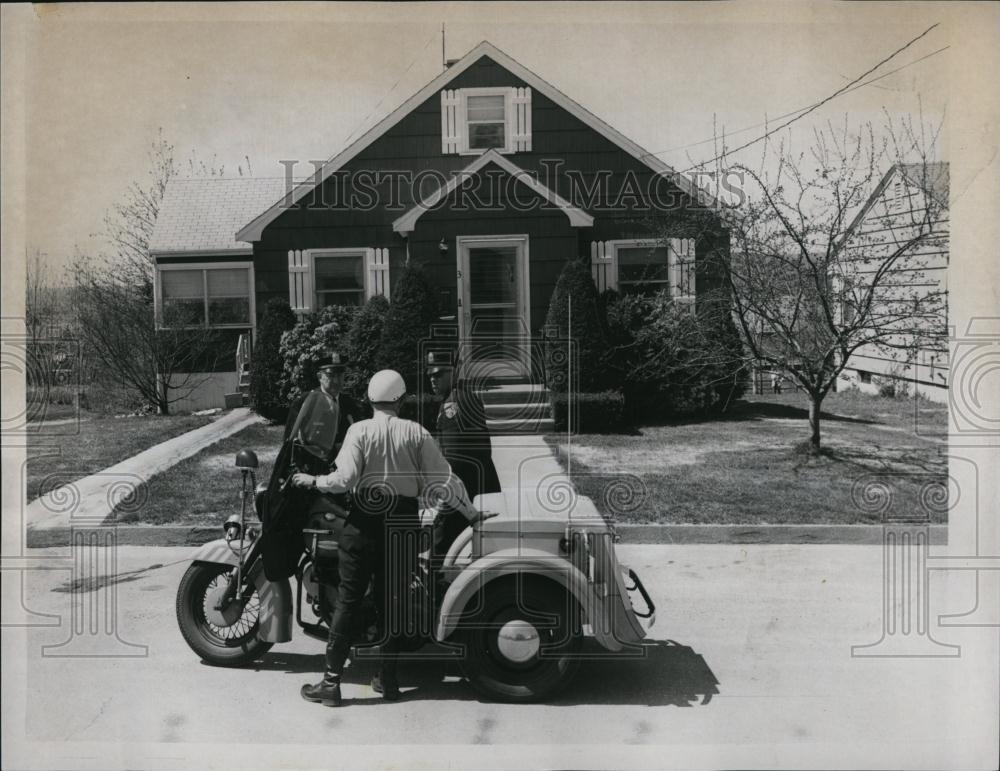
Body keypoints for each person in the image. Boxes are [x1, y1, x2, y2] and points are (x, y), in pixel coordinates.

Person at [292, 369, 477, 707]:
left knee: (348, 599)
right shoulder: (416, 432)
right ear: (402, 400)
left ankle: (331, 684)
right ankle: (388, 681)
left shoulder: (358, 430)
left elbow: (344, 480)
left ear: (369, 398)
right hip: (403, 524)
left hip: (363, 522)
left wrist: (311, 481)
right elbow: (446, 480)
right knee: (392, 602)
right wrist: (473, 515)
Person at [426, 351, 501, 566]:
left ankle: (434, 594)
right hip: (479, 483)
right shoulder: (465, 395)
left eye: (439, 375)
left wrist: (446, 494)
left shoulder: (453, 405)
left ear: (453, 373)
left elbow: (455, 458)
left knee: (439, 548)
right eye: (431, 375)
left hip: (464, 488)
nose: (433, 379)